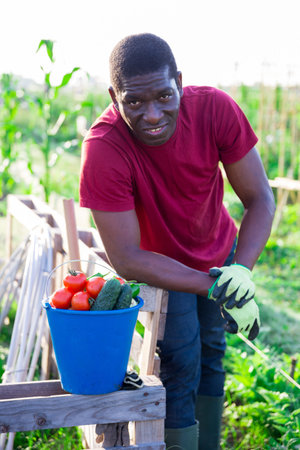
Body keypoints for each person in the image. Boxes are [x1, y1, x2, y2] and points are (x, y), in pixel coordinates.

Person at [79, 33, 275, 449]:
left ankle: (209, 443)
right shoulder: (104, 148)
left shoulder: (214, 110)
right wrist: (221, 289)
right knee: (181, 363)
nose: (152, 114)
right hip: (160, 266)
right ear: (115, 97)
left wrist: (240, 271)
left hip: (218, 250)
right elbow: (128, 258)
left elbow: (260, 199)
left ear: (180, 82)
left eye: (164, 96)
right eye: (134, 102)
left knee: (213, 353)